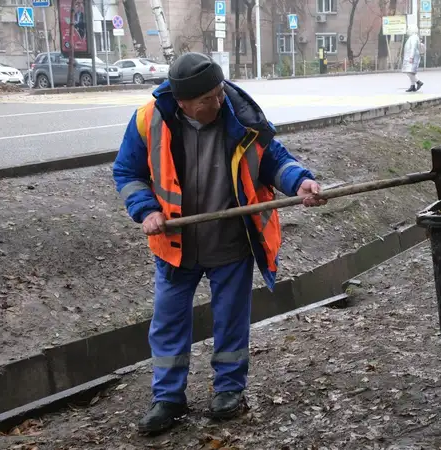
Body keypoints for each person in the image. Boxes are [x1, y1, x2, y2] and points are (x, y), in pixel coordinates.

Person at [113, 52, 326, 434]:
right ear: (182, 103)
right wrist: (145, 209)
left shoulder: (241, 115)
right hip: (175, 245)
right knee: (168, 322)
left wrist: (302, 182)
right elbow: (128, 171)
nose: (217, 101)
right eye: (206, 99)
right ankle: (168, 399)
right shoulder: (149, 120)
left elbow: (274, 159)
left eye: (218, 92)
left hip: (231, 240)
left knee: (230, 321)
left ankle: (228, 391)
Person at [402, 26, 425, 92]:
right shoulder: (413, 37)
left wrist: (411, 57)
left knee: (409, 72)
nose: (407, 31)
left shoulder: (414, 37)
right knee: (411, 72)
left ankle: (418, 82)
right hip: (411, 56)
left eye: (408, 30)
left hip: (412, 57)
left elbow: (413, 48)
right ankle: (412, 86)